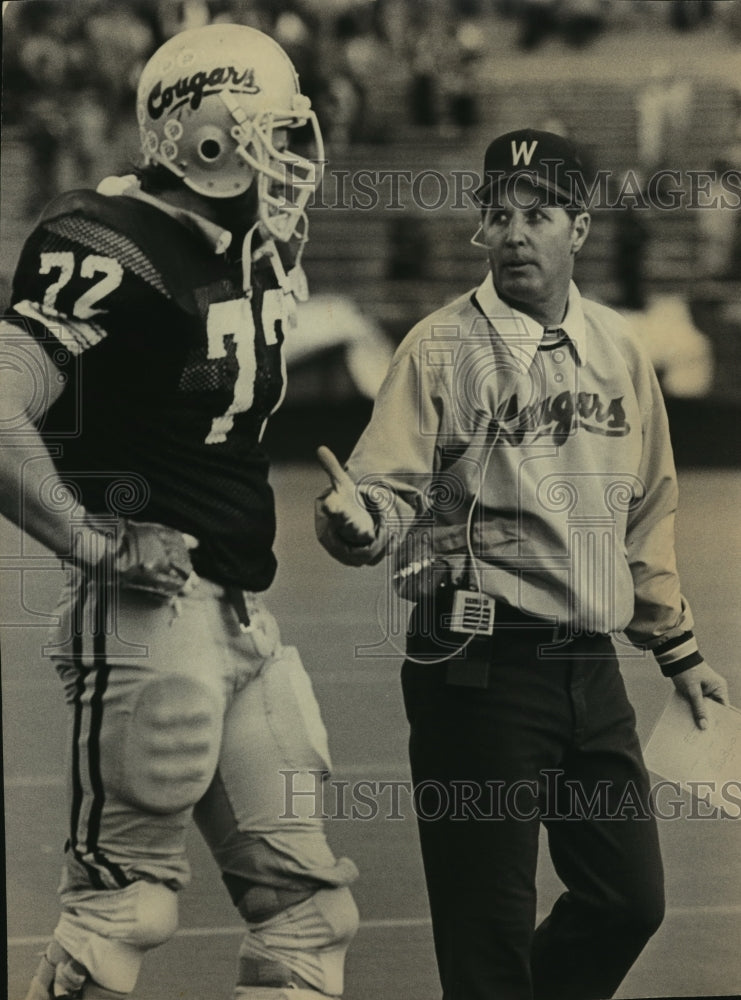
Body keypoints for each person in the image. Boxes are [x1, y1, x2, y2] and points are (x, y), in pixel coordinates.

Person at [315, 129, 729, 1000]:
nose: (511, 233)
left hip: (588, 665)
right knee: (486, 930)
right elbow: (385, 489)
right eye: (496, 214)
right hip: (476, 660)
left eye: (535, 214)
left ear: (577, 227)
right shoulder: (437, 346)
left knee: (627, 899)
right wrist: (360, 523)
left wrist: (678, 651)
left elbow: (646, 512)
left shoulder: (617, 352)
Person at [1, 23, 358, 1000]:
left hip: (246, 616)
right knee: (122, 916)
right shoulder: (105, 244)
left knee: (309, 921)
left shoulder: (254, 242)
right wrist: (90, 540)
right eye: (267, 133)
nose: (288, 157)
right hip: (150, 615)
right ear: (204, 136)